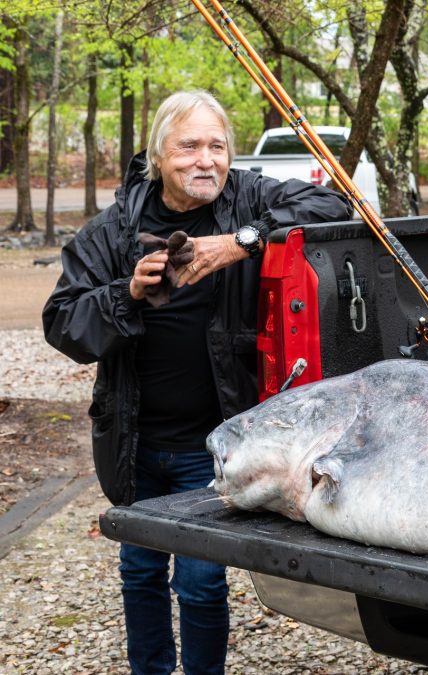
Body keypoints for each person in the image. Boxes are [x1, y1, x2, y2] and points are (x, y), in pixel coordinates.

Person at [42, 90, 351, 675]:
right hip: (134, 442)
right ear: (159, 156)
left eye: (217, 145)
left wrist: (243, 242)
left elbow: (337, 206)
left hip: (214, 442)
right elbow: (62, 325)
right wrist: (126, 293)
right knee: (140, 571)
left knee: (204, 581)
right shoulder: (112, 232)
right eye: (189, 146)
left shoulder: (250, 199)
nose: (205, 160)